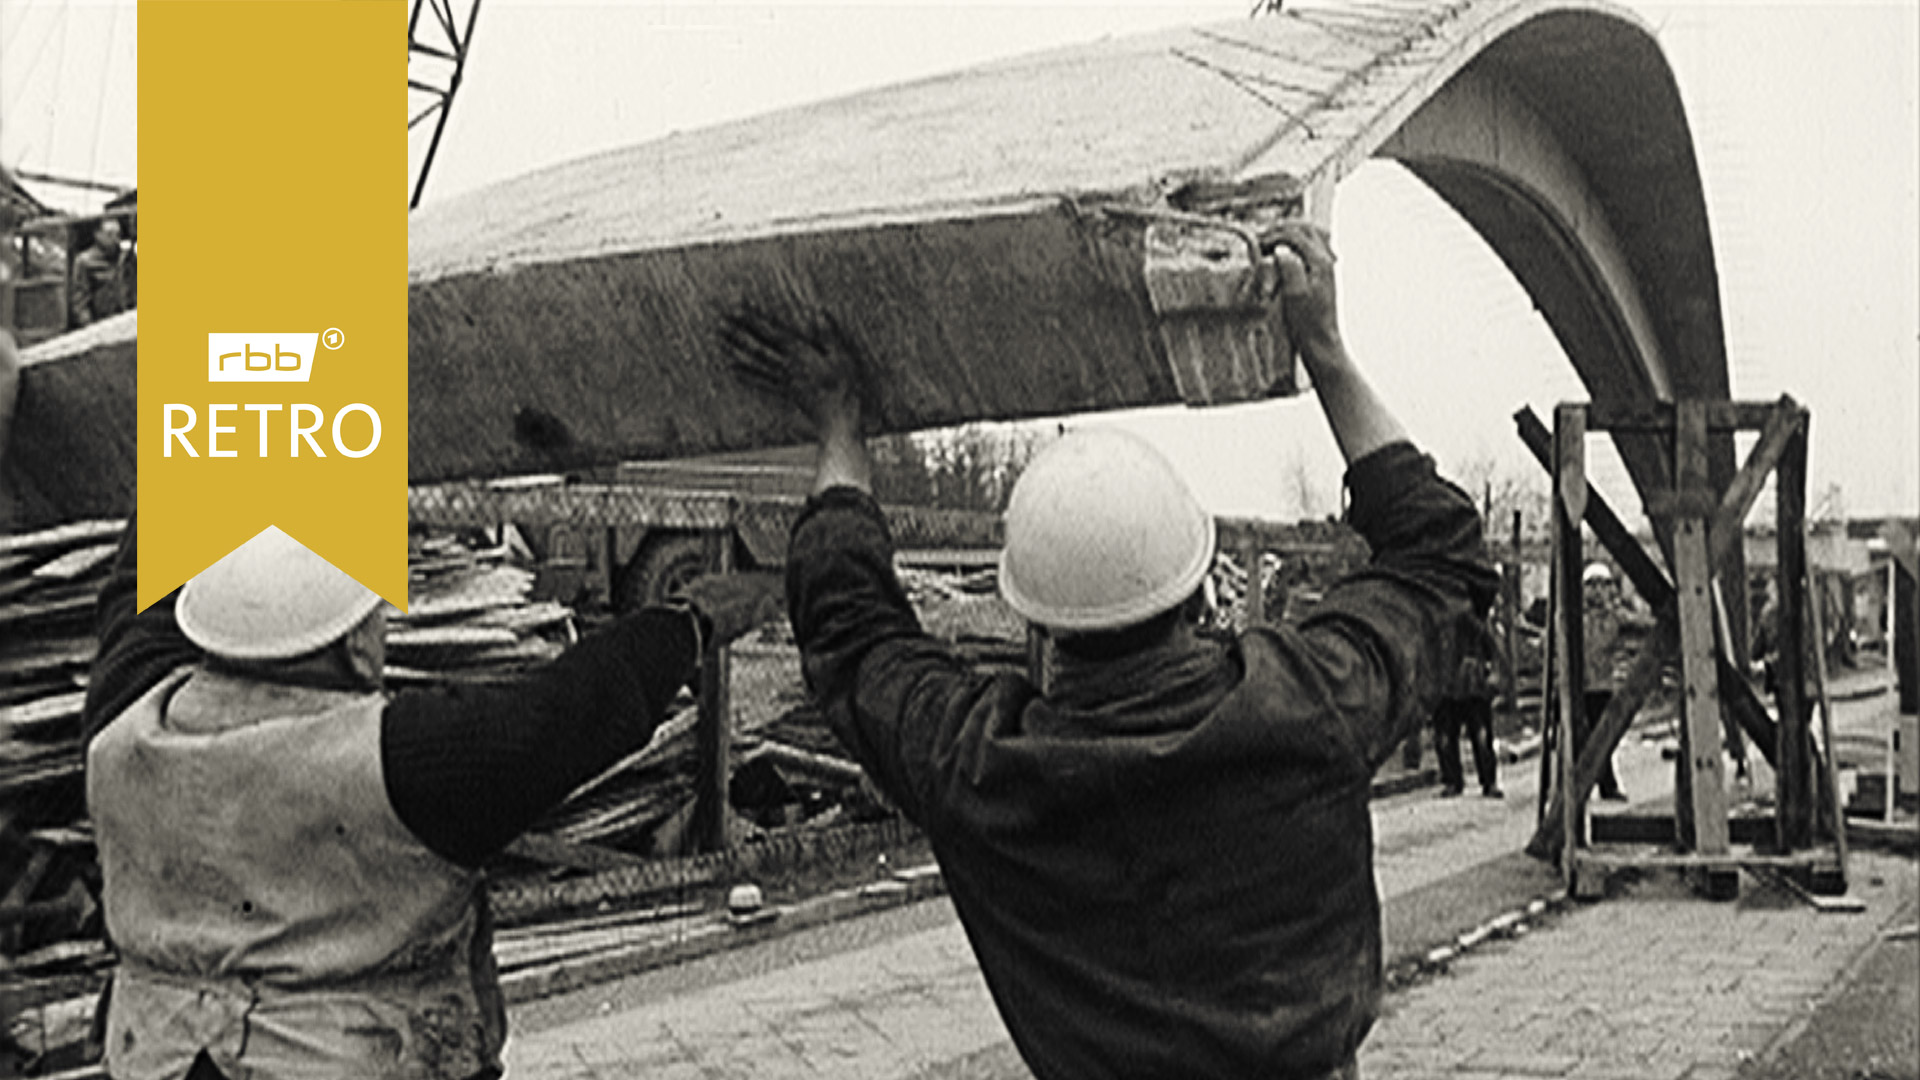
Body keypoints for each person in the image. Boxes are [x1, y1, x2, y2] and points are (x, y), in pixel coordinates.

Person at [723, 221, 1497, 1079]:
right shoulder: (1310, 700)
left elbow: (851, 630)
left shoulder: (981, 768)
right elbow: (1441, 554)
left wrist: (839, 427)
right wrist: (1324, 348)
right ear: (1199, 589)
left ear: (1036, 627)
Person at [81, 521, 781, 1080]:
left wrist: (217, 407)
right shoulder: (403, 765)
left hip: (158, 1057)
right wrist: (696, 619)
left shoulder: (123, 720)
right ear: (356, 644)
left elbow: (136, 595)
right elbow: (574, 707)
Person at [1433, 611, 1502, 798]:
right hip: (1446, 687)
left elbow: (1492, 648)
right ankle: (1452, 780)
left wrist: (1491, 674)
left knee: (1481, 737)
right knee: (1445, 738)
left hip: (1474, 686)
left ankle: (1489, 780)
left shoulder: (1474, 620)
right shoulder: (1437, 621)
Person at [1580, 562, 1629, 801]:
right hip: (1580, 686)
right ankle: (1572, 786)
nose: (1597, 590)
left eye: (1603, 584)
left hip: (1602, 685)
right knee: (1577, 738)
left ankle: (1607, 784)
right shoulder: (1575, 617)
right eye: (1592, 585)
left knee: (1603, 738)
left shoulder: (1614, 618)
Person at [69, 217, 134, 328]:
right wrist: (89, 328)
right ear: (97, 235)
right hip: (101, 322)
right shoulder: (85, 261)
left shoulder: (125, 257)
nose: (115, 240)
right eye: (109, 235)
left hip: (127, 319)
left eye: (118, 235)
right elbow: (80, 300)